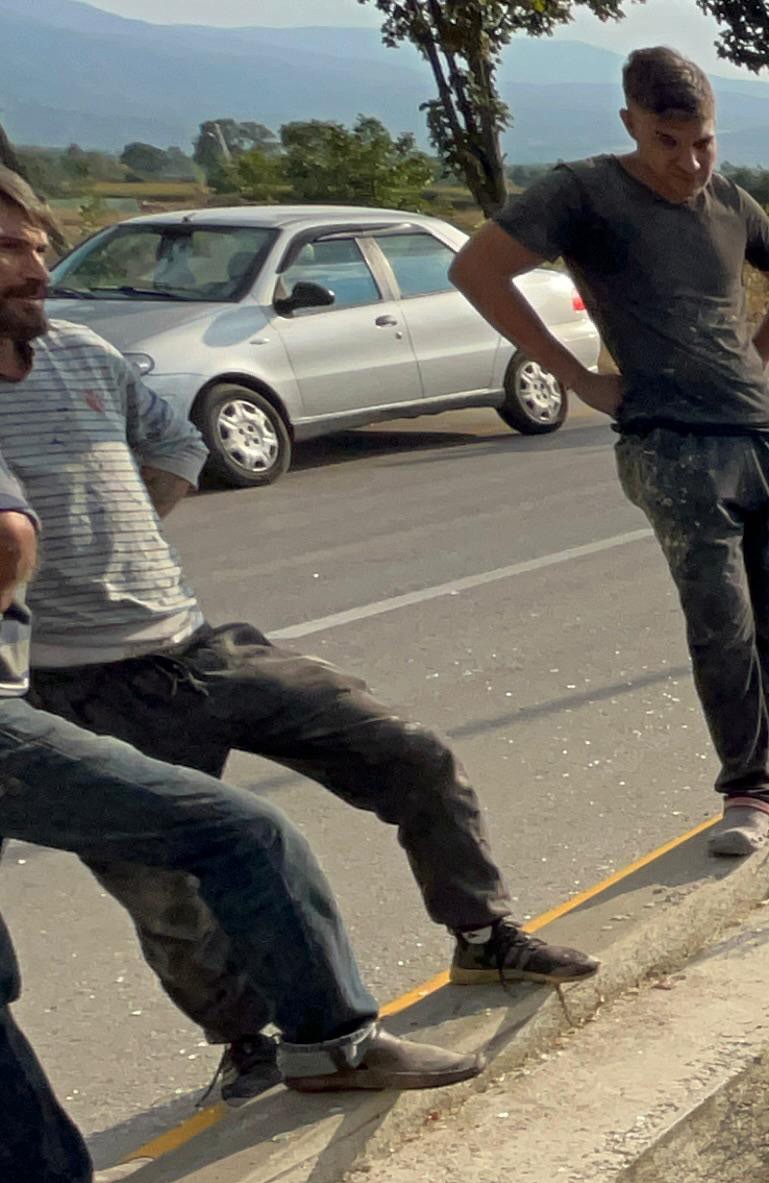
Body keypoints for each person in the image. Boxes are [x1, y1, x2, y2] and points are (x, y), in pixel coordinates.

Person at [0, 168, 581, 1105]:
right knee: (168, 894)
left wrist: (133, 541)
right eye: (7, 251)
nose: (33, 266)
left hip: (197, 648)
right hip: (76, 688)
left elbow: (177, 443)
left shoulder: (83, 353)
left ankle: (483, 938)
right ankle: (248, 1044)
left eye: (33, 244)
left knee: (409, 754)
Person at [5, 451, 479, 1183]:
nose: (42, 324)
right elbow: (8, 535)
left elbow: (164, 460)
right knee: (238, 834)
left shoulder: (82, 360)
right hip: (41, 705)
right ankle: (330, 1047)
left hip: (185, 647)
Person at [451, 47, 769, 861]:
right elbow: (479, 269)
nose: (689, 162)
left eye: (702, 142)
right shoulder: (585, 192)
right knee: (721, 621)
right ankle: (746, 789)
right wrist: (573, 378)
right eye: (669, 142)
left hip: (764, 436)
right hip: (669, 444)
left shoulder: (731, 201)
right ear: (632, 124)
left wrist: (749, 365)